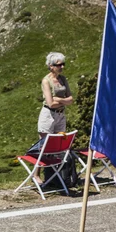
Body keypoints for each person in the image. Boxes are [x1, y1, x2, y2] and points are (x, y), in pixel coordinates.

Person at [34, 52, 74, 184]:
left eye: (63, 64)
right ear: (51, 66)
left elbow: (71, 99)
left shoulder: (63, 79)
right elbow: (50, 103)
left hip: (60, 115)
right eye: (59, 65)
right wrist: (63, 100)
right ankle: (36, 175)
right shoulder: (46, 81)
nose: (62, 67)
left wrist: (58, 99)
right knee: (44, 146)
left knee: (59, 145)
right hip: (48, 115)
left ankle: (54, 176)